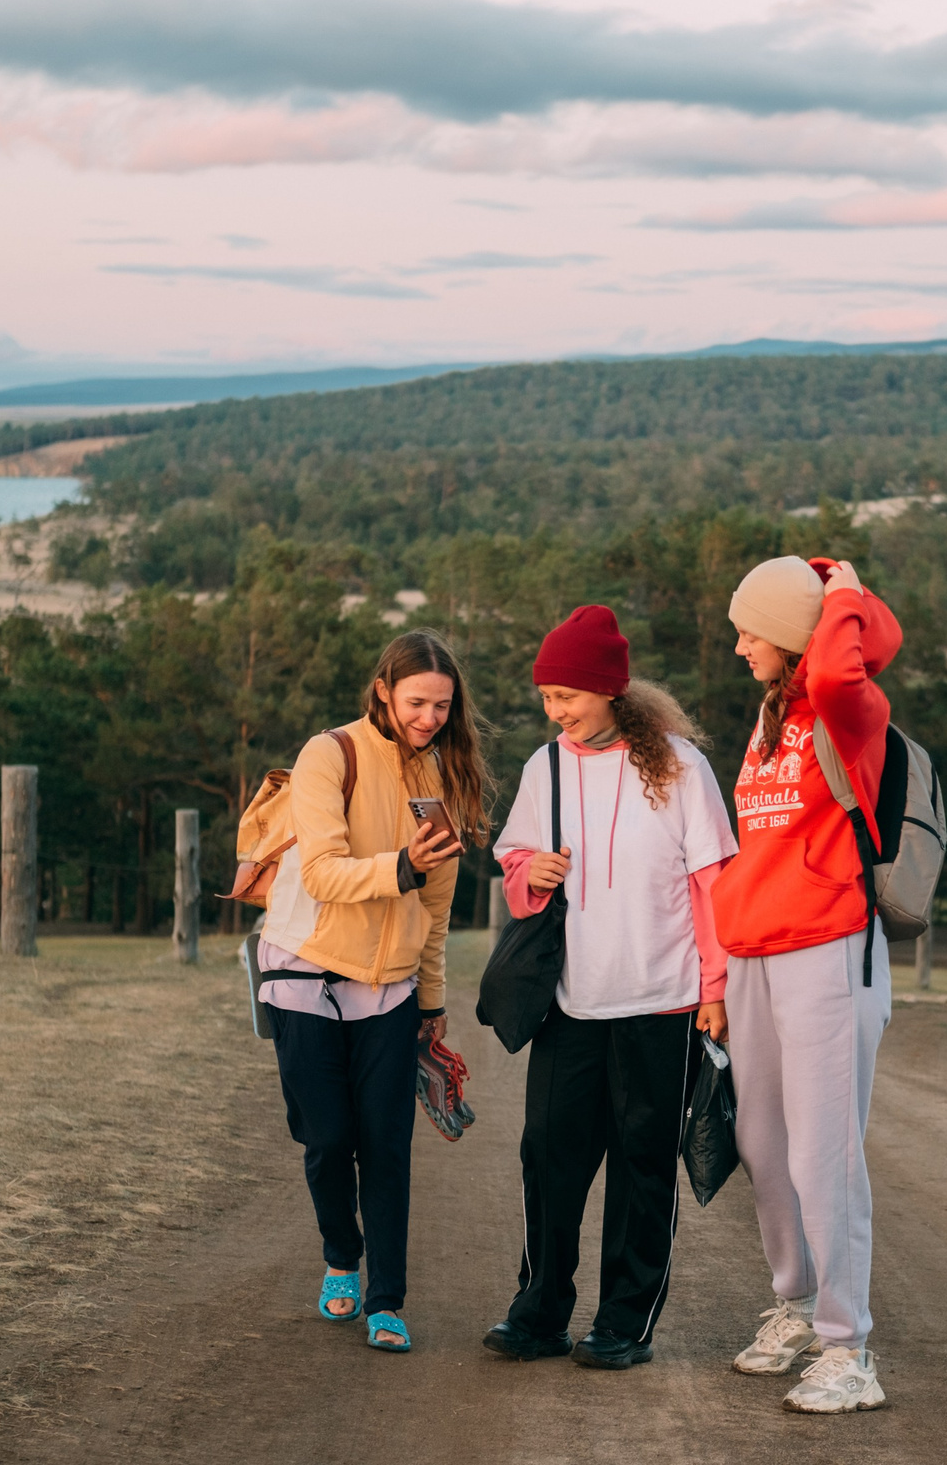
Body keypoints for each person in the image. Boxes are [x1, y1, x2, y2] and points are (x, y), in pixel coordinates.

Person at [485, 605, 739, 1369]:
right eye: (546, 696)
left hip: (663, 1001)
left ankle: (625, 1323)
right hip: (571, 1001)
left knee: (642, 1165)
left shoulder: (681, 765)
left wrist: (716, 988)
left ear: (608, 689)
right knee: (548, 1156)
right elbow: (514, 866)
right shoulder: (545, 768)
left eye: (566, 695)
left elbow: (713, 885)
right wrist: (533, 872)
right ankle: (539, 1313)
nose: (554, 710)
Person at [256, 630, 487, 1354]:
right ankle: (340, 1256)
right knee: (328, 1138)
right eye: (417, 702)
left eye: (442, 706)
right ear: (384, 689)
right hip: (304, 975)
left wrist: (432, 998)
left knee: (386, 1146)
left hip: (389, 990)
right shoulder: (329, 754)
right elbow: (322, 871)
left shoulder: (442, 778)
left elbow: (437, 907)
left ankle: (386, 1299)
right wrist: (401, 868)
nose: (429, 718)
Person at [710, 555, 902, 1413]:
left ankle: (848, 1348)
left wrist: (839, 586)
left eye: (751, 629)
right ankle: (796, 1297)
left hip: (828, 945)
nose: (738, 645)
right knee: (762, 1140)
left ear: (794, 635)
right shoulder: (768, 718)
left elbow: (832, 670)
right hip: (755, 948)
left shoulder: (849, 710)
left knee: (825, 1152)